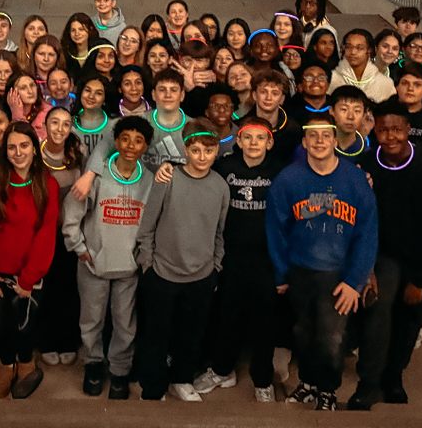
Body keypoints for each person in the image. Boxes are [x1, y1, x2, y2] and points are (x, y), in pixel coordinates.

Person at [265, 114, 378, 411]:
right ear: (304, 142)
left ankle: (327, 389)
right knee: (304, 331)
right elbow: (276, 230)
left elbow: (367, 234)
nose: (319, 141)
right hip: (301, 270)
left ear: (334, 141)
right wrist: (281, 274)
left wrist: (355, 281)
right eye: (312, 136)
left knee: (332, 336)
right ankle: (308, 383)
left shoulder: (354, 179)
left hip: (338, 274)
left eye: (325, 135)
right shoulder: (288, 179)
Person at [349, 98, 422, 409]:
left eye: (396, 129)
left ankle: (394, 377)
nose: (390, 136)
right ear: (374, 132)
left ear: (408, 129)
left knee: (409, 317)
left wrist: (421, 278)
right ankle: (369, 383)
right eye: (382, 130)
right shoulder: (366, 165)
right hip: (381, 254)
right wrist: (367, 268)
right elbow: (359, 220)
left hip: (419, 256)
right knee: (379, 314)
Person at [135, 118, 229, 401]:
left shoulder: (221, 186)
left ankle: (182, 378)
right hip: (162, 272)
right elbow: (147, 225)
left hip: (201, 275)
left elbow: (219, 232)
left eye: (209, 151)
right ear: (186, 150)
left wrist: (215, 266)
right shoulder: (168, 178)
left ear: (216, 152)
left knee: (191, 333)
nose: (202, 157)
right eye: (196, 150)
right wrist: (147, 264)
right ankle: (152, 385)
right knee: (156, 334)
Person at [195, 116, 286, 401]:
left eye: (260, 138)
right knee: (227, 316)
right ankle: (223, 370)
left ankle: (263, 380)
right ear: (238, 140)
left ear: (269, 141)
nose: (254, 143)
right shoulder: (225, 166)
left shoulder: (281, 171)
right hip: (231, 255)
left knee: (264, 321)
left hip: (266, 258)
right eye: (248, 137)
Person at [63, 115, 154, 398]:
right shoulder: (97, 175)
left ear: (146, 146)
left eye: (138, 141)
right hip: (93, 262)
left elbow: (153, 222)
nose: (130, 145)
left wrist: (144, 256)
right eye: (125, 139)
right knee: (91, 319)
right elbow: (71, 214)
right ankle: (93, 364)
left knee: (125, 322)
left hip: (129, 266)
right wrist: (78, 247)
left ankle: (119, 370)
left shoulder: (149, 180)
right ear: (115, 142)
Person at [0, 121, 60, 399]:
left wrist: (29, 278)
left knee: (25, 325)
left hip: (28, 276)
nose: (18, 152)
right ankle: (7, 364)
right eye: (11, 147)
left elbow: (46, 235)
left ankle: (26, 364)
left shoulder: (47, 184)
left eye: (24, 145)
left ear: (35, 148)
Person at [36, 107, 85, 368]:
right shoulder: (35, 154)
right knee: (45, 289)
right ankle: (47, 340)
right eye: (54, 122)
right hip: (41, 234)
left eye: (66, 124)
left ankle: (68, 340)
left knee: (68, 289)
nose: (60, 128)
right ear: (45, 124)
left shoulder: (78, 156)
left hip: (69, 232)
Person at [329, 29, 396, 103]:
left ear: (369, 51)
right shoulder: (332, 79)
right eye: (348, 47)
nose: (353, 52)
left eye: (360, 48)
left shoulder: (385, 84)